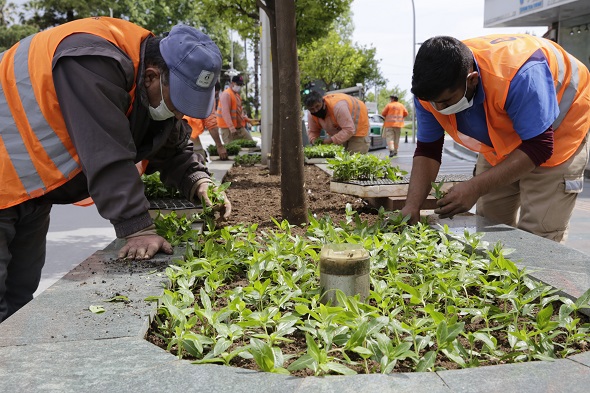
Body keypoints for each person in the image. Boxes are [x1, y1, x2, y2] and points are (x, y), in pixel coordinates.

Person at [0, 17, 232, 322]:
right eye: (178, 104)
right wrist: (138, 228)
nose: (179, 114)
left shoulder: (145, 79)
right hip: (8, 184)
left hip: (29, 191)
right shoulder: (92, 59)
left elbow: (171, 144)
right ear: (152, 76)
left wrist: (198, 180)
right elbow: (105, 149)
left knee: (18, 301)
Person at [401, 34, 590, 243]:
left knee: (539, 238)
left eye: (446, 102)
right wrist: (412, 205)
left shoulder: (519, 74)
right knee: (489, 228)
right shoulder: (430, 92)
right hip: (505, 142)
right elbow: (428, 150)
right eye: (433, 103)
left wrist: (475, 187)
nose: (439, 109)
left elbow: (540, 146)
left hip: (557, 134)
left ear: (471, 80)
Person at [304, 90, 371, 154]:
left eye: (317, 106)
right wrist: (314, 140)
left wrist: (330, 141)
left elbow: (349, 130)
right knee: (338, 157)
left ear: (323, 102)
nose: (315, 111)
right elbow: (313, 131)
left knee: (354, 157)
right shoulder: (311, 114)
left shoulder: (338, 106)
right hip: (341, 129)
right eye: (312, 109)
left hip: (358, 127)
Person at [185, 82, 228, 160]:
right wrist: (220, 146)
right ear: (215, 91)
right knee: (199, 160)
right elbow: (211, 124)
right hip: (189, 132)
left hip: (183, 129)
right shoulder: (208, 97)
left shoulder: (193, 91)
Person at [216, 75, 254, 144]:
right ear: (232, 83)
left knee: (251, 144)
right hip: (228, 129)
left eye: (241, 85)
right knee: (233, 151)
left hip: (239, 128)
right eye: (238, 84)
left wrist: (247, 120)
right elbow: (225, 113)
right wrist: (232, 128)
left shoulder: (236, 95)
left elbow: (238, 113)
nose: (239, 86)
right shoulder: (226, 94)